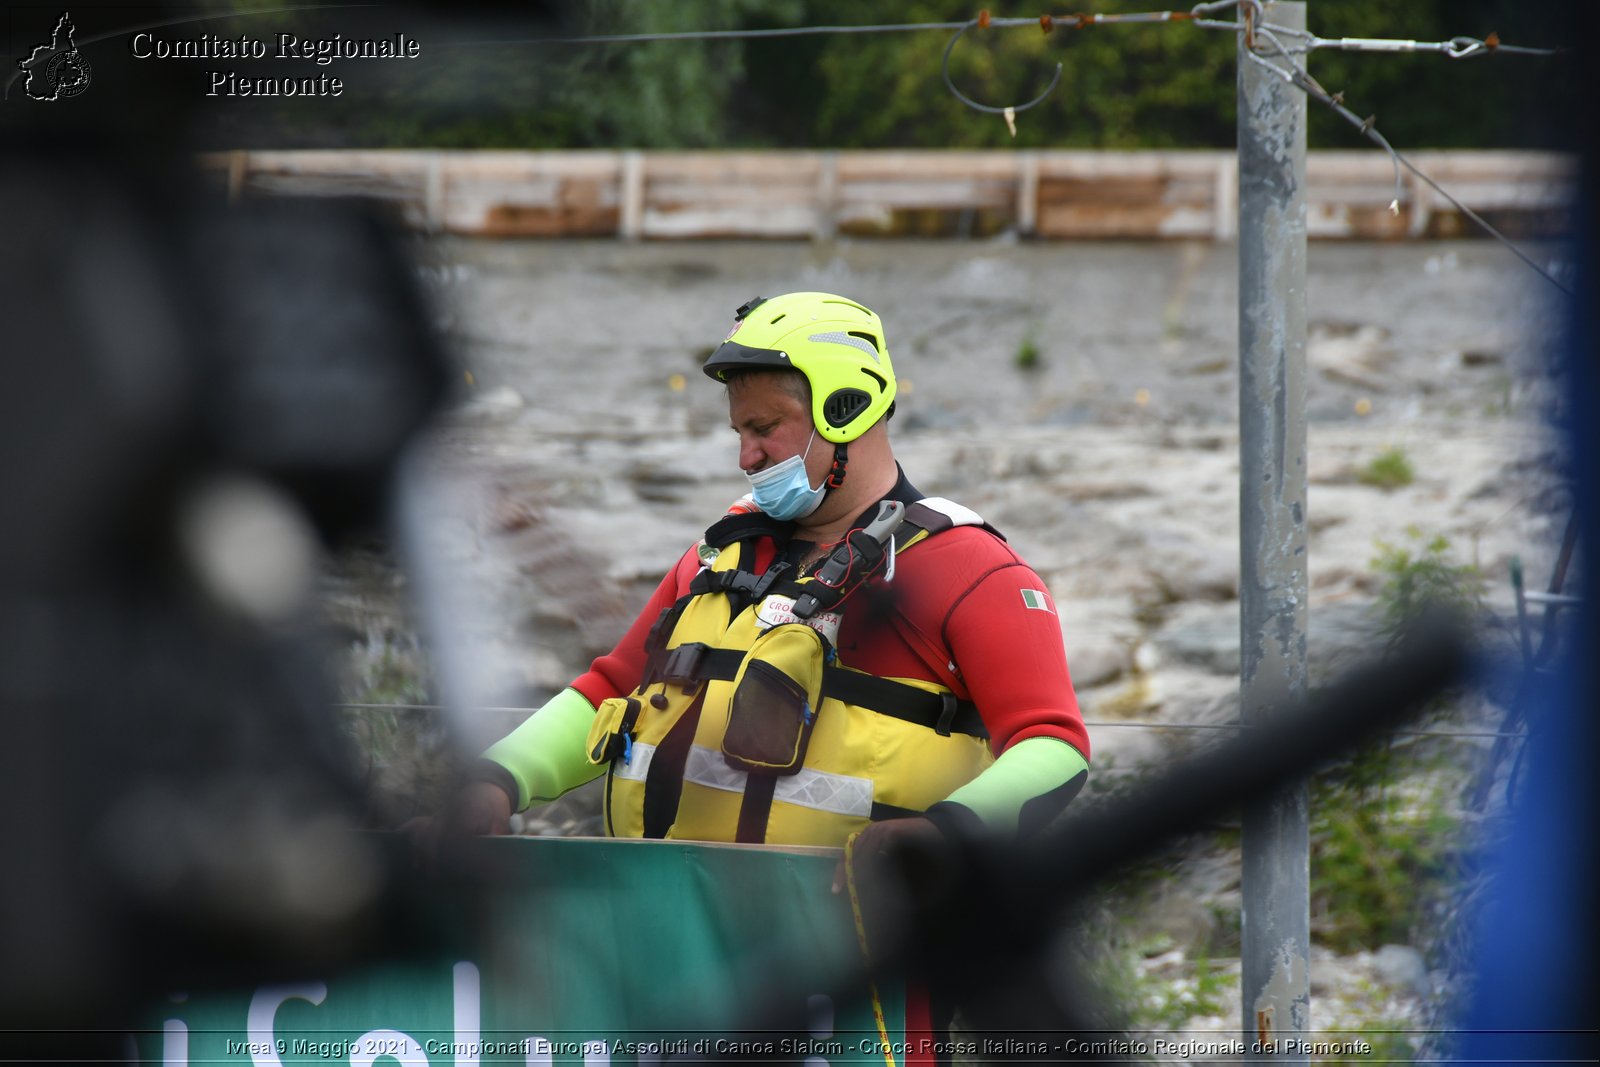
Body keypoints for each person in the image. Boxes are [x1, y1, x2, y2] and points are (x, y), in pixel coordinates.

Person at [437, 291, 1090, 855]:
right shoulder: (719, 555)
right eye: (738, 431)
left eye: (765, 427)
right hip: (671, 937)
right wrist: (496, 781)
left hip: (862, 959)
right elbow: (609, 686)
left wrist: (947, 832)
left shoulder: (971, 571)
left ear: (847, 407)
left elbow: (1053, 745)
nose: (746, 456)